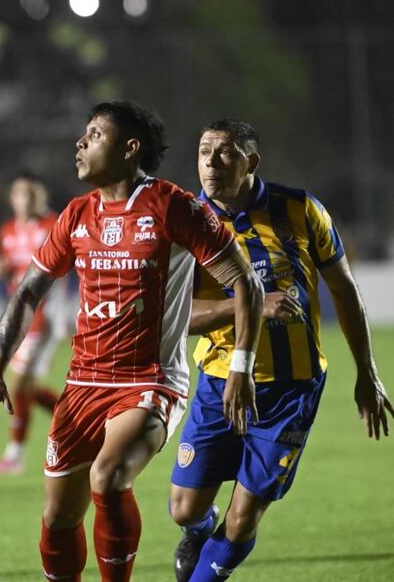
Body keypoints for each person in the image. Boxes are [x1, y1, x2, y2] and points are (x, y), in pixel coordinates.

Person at [0, 101, 264, 582]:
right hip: (83, 383)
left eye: (94, 135)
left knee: (107, 478)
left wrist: (241, 367)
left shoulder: (173, 206)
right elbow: (28, 293)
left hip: (150, 381)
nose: (80, 143)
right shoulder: (76, 215)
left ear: (130, 149)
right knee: (58, 516)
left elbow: (245, 282)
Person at [169, 119, 394, 582]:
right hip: (220, 382)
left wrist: (366, 373)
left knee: (243, 518)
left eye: (224, 151)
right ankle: (201, 529)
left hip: (291, 390)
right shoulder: (186, 222)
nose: (210, 162)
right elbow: (176, 319)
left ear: (251, 162)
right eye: (203, 150)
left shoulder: (301, 209)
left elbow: (344, 291)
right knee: (183, 508)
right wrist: (246, 304)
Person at [0, 173, 67, 475]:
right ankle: (83, 424)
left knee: (19, 383)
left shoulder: (53, 225)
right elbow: (13, 266)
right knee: (27, 388)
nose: (28, 199)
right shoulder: (8, 230)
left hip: (45, 315)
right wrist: (1, 267)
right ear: (13, 198)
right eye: (22, 193)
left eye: (33, 193)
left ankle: (15, 454)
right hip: (20, 316)